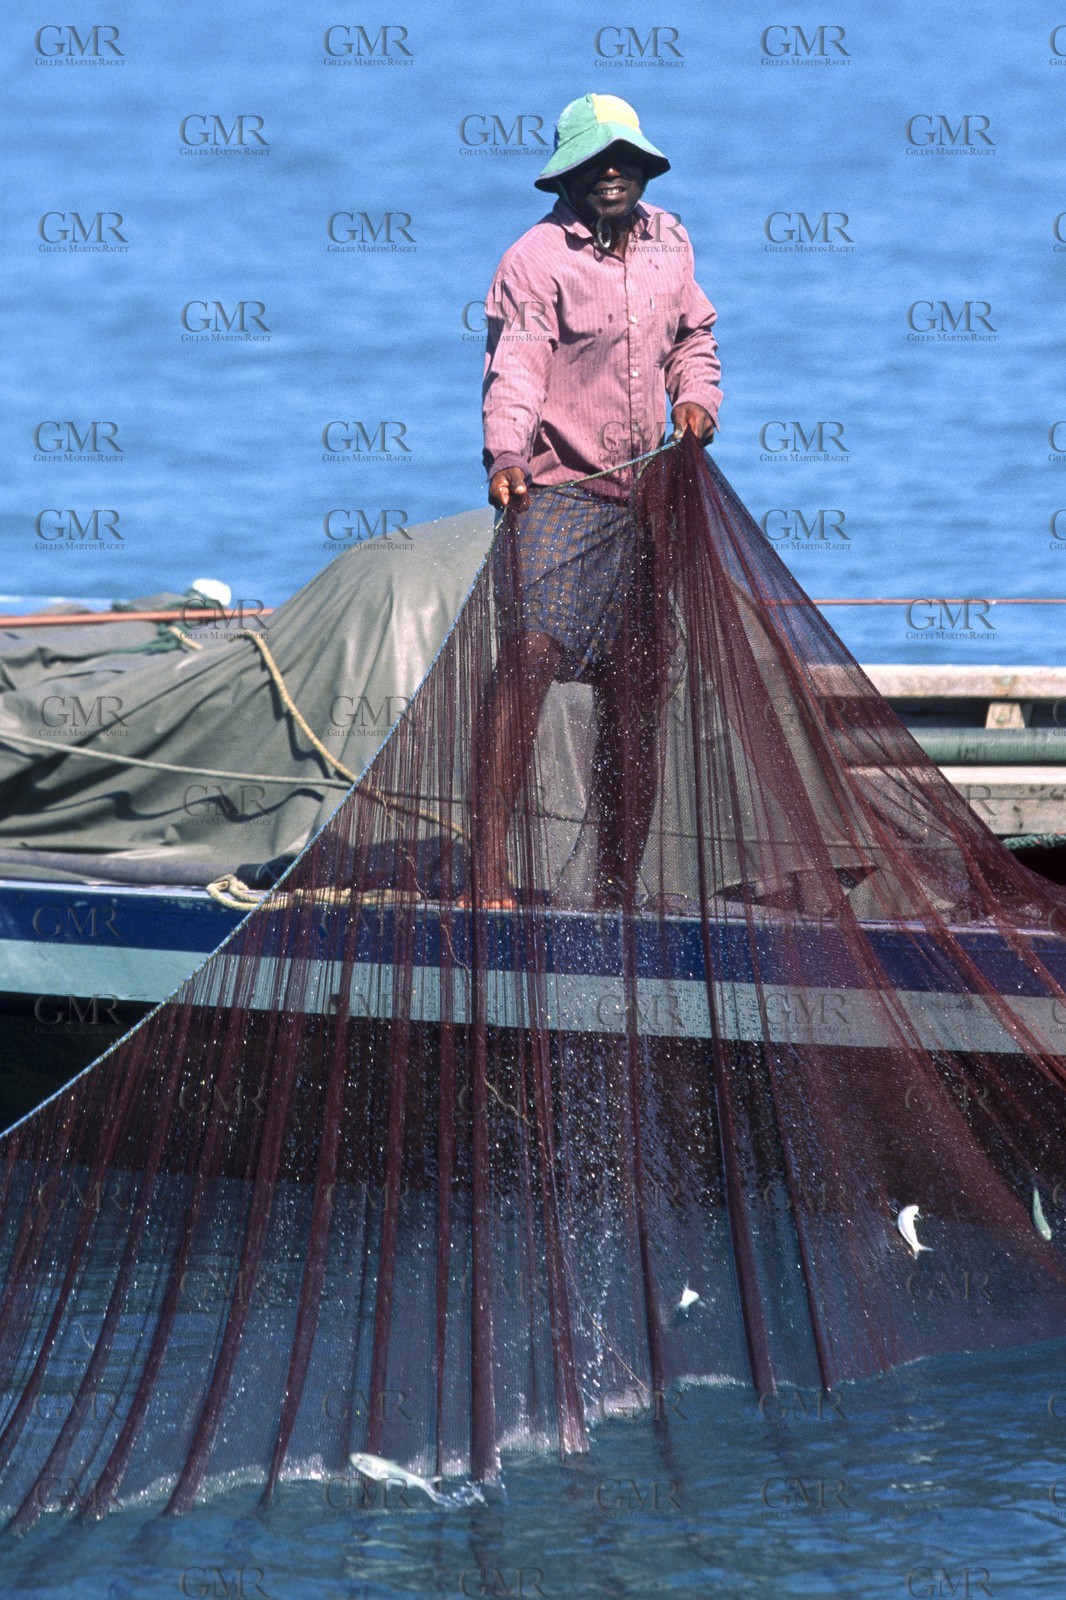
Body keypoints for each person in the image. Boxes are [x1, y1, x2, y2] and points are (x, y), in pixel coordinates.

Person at [475, 94, 723, 908]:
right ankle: (488, 871)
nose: (610, 173)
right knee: (531, 656)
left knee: (636, 682)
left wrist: (696, 399)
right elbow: (516, 364)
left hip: (647, 496)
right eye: (593, 162)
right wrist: (506, 450)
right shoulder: (536, 258)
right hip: (558, 492)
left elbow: (694, 337)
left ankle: (618, 883)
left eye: (624, 159)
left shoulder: (671, 241)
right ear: (569, 177)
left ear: (645, 168)